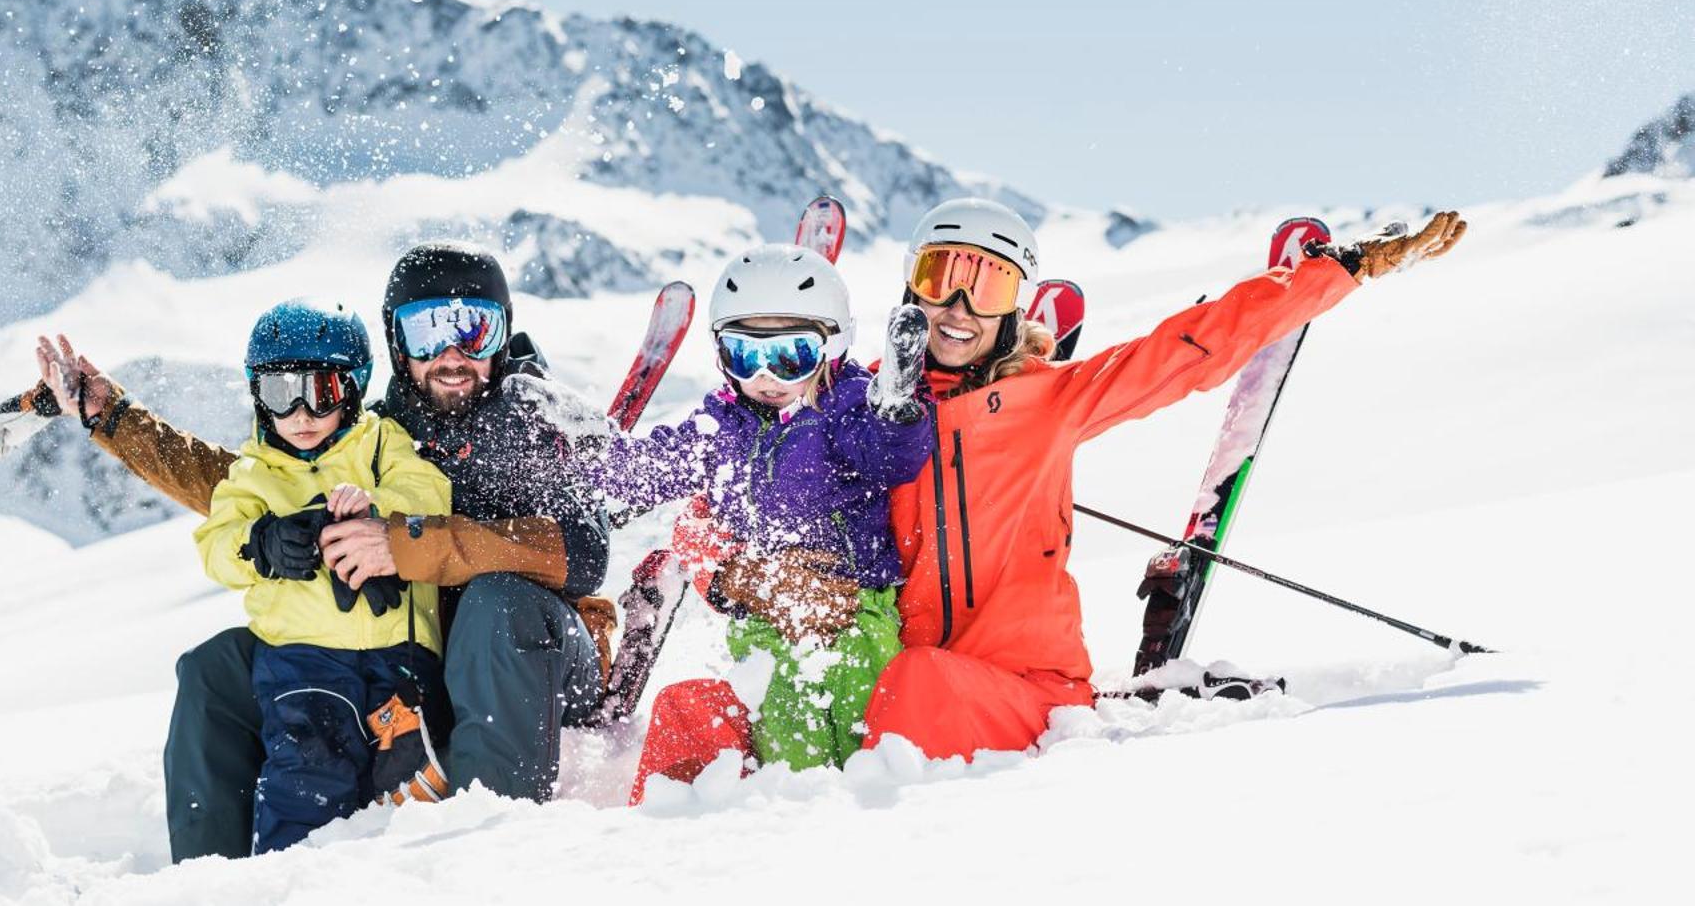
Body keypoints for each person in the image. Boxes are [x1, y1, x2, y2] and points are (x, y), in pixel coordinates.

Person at [626, 199, 1469, 771]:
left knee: (916, 681)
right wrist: (736, 576)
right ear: (911, 287)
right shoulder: (866, 406)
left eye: (985, 281)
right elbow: (710, 510)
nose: (956, 303)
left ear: (1014, 302)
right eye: (938, 274)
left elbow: (1189, 349)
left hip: (1017, 688)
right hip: (864, 680)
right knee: (687, 713)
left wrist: (1343, 270)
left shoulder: (1049, 401)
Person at [35, 242, 611, 861]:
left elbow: (583, 552)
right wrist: (116, 419)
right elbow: (250, 482)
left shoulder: (535, 419)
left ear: (502, 334)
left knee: (494, 604)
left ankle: (486, 853)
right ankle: (213, 881)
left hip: (538, 662)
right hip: (420, 666)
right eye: (426, 332)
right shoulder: (380, 429)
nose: (451, 355)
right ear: (395, 344)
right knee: (217, 668)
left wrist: (410, 544)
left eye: (474, 328)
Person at [574, 245, 934, 794]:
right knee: (784, 717)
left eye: (790, 355)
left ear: (832, 346)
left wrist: (900, 412)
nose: (765, 375)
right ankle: (789, 804)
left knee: (855, 715)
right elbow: (659, 466)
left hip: (855, 608)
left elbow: (891, 455)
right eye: (745, 355)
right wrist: (590, 464)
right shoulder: (724, 422)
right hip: (764, 615)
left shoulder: (843, 407)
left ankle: (860, 802)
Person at [192, 300, 452, 852]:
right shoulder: (253, 474)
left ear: (352, 391)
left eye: (321, 393)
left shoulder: (381, 444)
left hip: (400, 659)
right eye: (280, 394)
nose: (301, 414)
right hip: (302, 662)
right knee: (307, 778)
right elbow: (215, 545)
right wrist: (259, 542)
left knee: (410, 791)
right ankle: (291, 876)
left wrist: (380, 516)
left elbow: (427, 492)